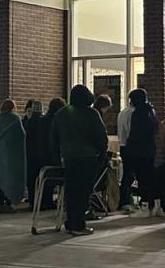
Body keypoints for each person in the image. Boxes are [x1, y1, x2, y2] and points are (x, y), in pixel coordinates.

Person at [51, 84, 108, 236]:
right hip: (88, 158)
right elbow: (100, 136)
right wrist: (102, 155)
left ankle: (71, 222)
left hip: (69, 158)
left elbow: (54, 137)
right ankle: (78, 224)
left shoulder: (61, 113)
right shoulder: (91, 113)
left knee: (71, 191)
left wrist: (58, 156)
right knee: (83, 192)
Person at [120, 89, 158, 215]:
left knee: (139, 178)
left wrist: (130, 147)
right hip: (149, 150)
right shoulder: (151, 112)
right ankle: (151, 204)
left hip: (137, 151)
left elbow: (134, 134)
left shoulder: (137, 113)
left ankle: (144, 206)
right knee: (148, 178)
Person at [0, 100, 26, 213]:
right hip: (14, 153)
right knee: (13, 177)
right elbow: (22, 134)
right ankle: (12, 201)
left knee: (1, 175)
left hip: (0, 152)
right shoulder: (15, 118)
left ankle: (2, 201)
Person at [31, 97, 65, 208]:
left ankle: (44, 201)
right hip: (50, 154)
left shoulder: (43, 120)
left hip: (39, 153)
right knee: (51, 179)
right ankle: (48, 202)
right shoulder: (54, 121)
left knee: (44, 180)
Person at [24, 99, 45, 205]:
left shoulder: (29, 122)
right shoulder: (43, 121)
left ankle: (32, 201)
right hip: (40, 154)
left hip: (29, 153)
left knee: (31, 179)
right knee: (39, 178)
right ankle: (40, 200)